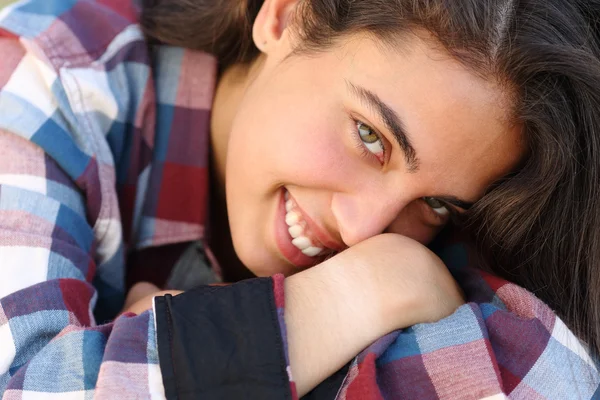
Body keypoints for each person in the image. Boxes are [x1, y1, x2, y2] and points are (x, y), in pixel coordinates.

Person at [0, 0, 599, 398]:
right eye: (370, 136)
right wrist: (352, 298)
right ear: (284, 18)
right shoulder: (45, 81)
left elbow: (561, 375)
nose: (367, 234)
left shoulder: (471, 209)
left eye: (438, 203)